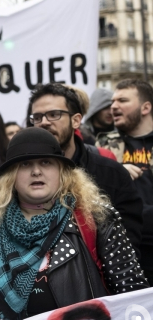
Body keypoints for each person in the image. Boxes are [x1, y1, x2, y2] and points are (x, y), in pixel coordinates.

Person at [0, 127, 148, 320]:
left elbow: (133, 293)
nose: (36, 171)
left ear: (61, 171)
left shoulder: (94, 217)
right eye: (25, 164)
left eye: (46, 162)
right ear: (11, 176)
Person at [29, 83, 143, 260]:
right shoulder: (21, 177)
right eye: (37, 117)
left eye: (54, 114)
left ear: (76, 120)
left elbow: (129, 243)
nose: (44, 122)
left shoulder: (111, 173)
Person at [97, 79, 153, 282]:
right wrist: (116, 171)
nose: (113, 106)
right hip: (122, 244)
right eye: (112, 101)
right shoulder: (103, 145)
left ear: (145, 107)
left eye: (122, 100)